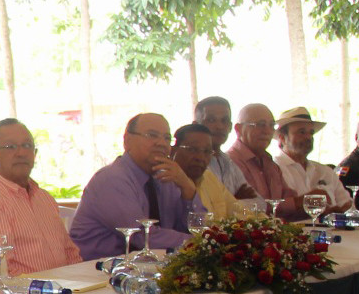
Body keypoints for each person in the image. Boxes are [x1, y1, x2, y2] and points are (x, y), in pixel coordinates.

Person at [68, 113, 203, 259]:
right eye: (152, 135)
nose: (162, 143)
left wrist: (187, 187)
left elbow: (193, 227)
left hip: (150, 266)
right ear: (127, 141)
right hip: (96, 268)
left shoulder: (167, 177)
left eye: (167, 138)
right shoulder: (112, 178)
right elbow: (142, 237)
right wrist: (200, 243)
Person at [0, 117, 80, 275]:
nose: (21, 153)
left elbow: (71, 255)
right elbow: (0, 273)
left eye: (27, 145)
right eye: (10, 147)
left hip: (65, 286)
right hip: (24, 291)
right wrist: (49, 288)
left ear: (35, 153)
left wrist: (81, 282)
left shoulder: (44, 198)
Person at [225, 102, 306, 220]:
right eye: (260, 124)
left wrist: (319, 209)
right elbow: (252, 207)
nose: (267, 131)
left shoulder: (271, 164)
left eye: (272, 125)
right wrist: (300, 202)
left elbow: (288, 201)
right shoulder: (229, 163)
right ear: (239, 129)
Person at [272, 106, 354, 214]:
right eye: (301, 132)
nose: (308, 137)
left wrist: (338, 212)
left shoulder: (325, 171)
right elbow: (276, 210)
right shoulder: (274, 169)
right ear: (282, 138)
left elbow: (348, 205)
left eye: (311, 133)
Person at [172, 123, 239, 220]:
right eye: (193, 149)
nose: (200, 158)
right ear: (173, 150)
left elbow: (238, 211)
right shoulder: (165, 183)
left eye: (207, 151)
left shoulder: (208, 177)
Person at [194, 96, 257, 199]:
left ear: (230, 127)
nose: (219, 126)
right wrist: (234, 199)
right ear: (196, 125)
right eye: (211, 120)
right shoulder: (192, 162)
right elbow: (203, 205)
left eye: (224, 121)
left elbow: (259, 202)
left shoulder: (228, 162)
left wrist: (231, 201)